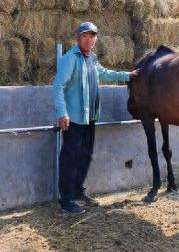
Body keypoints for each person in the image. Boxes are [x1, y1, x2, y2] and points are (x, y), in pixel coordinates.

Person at [52, 22, 138, 214]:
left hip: (89, 118)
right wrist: (62, 113)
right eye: (85, 36)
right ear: (77, 38)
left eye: (92, 36)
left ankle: (77, 191)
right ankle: (66, 201)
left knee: (85, 156)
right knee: (70, 159)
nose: (89, 39)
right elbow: (58, 86)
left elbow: (105, 74)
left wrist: (128, 75)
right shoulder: (70, 59)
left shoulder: (92, 58)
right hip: (73, 119)